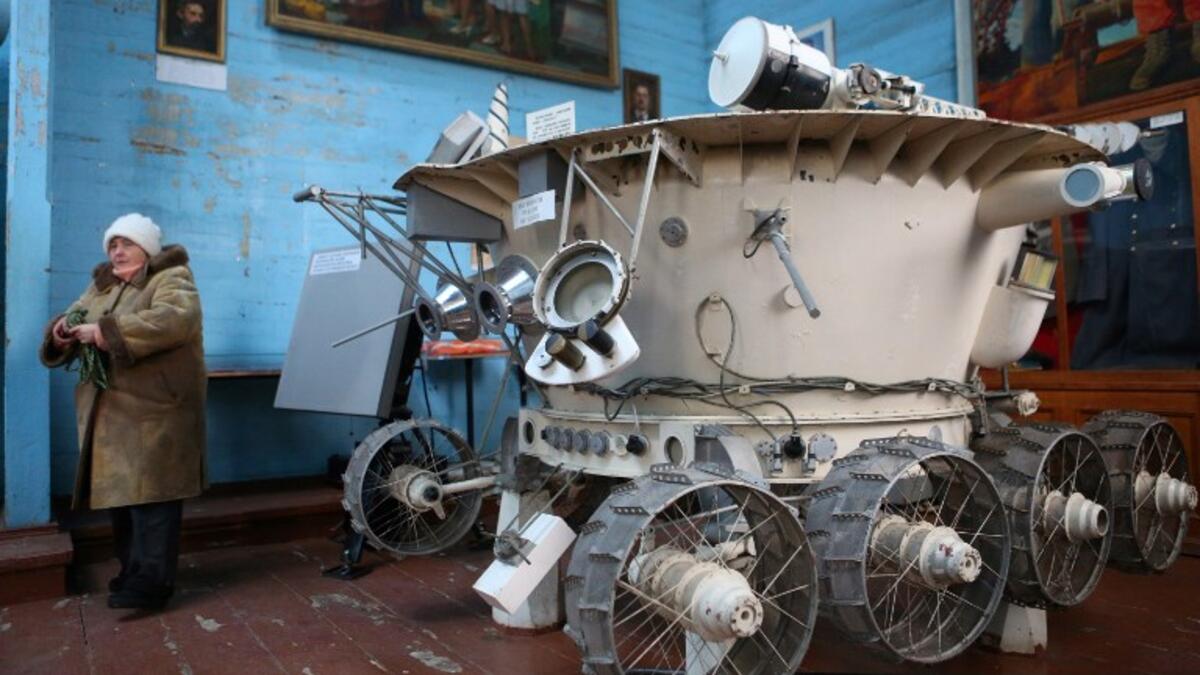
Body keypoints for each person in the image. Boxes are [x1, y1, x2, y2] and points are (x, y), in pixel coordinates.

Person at [40, 213, 207, 611]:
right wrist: (62, 331)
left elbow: (173, 321)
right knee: (122, 497)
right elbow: (75, 315)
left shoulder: (171, 278)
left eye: (126, 243)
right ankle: (133, 571)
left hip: (156, 410)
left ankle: (153, 582)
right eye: (112, 244)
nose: (116, 251)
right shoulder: (101, 287)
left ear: (146, 247)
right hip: (112, 413)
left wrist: (103, 332)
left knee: (153, 498)